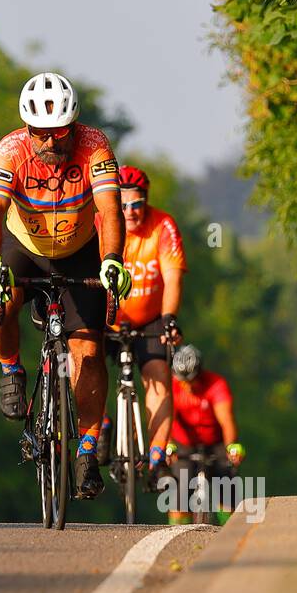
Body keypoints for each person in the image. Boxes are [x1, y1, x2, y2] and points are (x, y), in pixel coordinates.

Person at [0, 72, 131, 499]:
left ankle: (85, 447)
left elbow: (110, 209)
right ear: (27, 129)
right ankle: (11, 369)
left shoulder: (94, 146)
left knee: (88, 350)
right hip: (24, 245)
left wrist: (112, 260)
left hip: (80, 248)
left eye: (59, 132)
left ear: (74, 125)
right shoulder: (11, 150)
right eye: (40, 133)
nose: (50, 142)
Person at [95, 165, 186, 476]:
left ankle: (158, 456)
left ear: (146, 201)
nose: (131, 212)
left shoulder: (163, 225)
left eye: (137, 204)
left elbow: (172, 278)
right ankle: (101, 423)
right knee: (84, 362)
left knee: (158, 376)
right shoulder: (100, 224)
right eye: (122, 206)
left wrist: (169, 319)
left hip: (149, 319)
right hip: (106, 317)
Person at [164, 344, 246, 525]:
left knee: (227, 494)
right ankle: (177, 540)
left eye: (191, 380)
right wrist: (169, 445)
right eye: (181, 380)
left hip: (215, 442)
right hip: (185, 444)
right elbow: (166, 420)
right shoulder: (171, 386)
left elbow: (227, 421)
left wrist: (231, 446)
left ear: (200, 373)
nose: (186, 385)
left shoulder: (216, 385)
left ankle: (229, 536)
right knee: (179, 496)